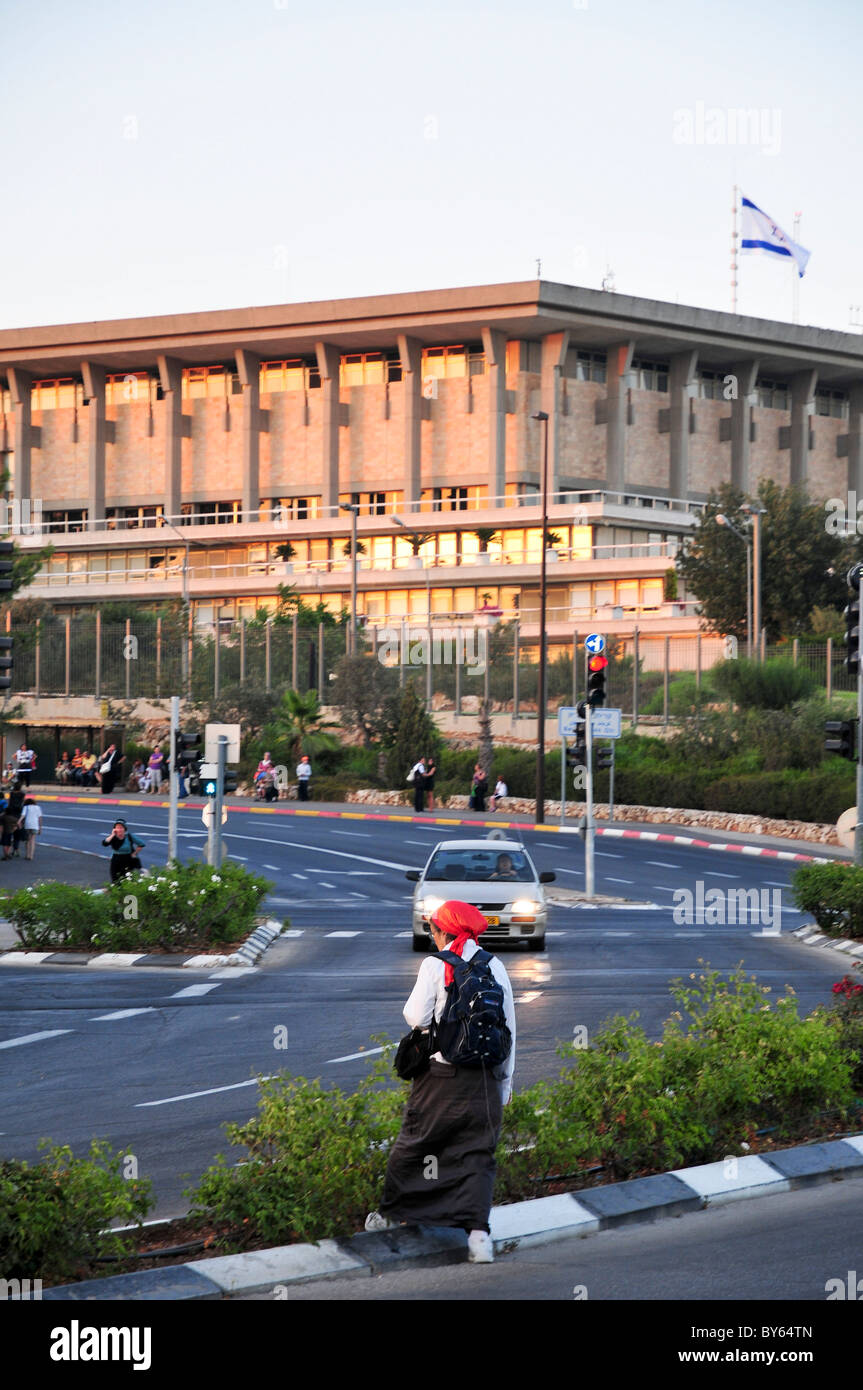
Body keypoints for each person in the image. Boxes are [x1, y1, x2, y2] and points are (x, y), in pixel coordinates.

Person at [366, 900, 516, 1264]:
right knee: (477, 1154)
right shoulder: (495, 966)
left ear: (443, 931)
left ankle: (388, 1215)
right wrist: (504, 1087)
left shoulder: (435, 965)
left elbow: (416, 1015)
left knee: (416, 1144)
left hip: (441, 1080)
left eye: (433, 930)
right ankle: (479, 1238)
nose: (432, 936)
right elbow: (509, 1029)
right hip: (484, 1081)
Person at [2, 785, 25, 859]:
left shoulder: (11, 793)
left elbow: (9, 803)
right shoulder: (22, 794)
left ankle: (7, 852)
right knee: (17, 835)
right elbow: (22, 803)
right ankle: (16, 849)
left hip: (11, 814)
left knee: (8, 834)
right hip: (18, 815)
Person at [19, 796, 42, 861]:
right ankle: (31, 856)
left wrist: (19, 821)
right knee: (33, 840)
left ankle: (27, 855)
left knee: (28, 840)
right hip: (35, 825)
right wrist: (40, 828)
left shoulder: (26, 807)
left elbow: (23, 815)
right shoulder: (38, 807)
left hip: (27, 825)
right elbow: (40, 818)